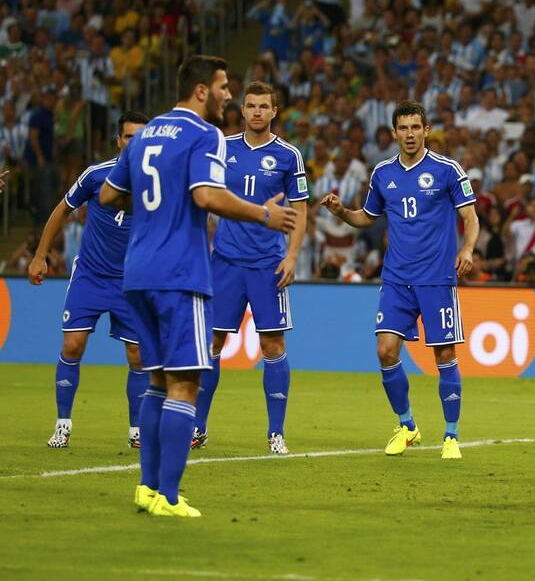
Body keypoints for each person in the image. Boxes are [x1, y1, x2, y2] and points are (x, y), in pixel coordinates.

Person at [100, 55, 296, 518]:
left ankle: (146, 490)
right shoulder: (203, 133)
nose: (230, 95)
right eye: (224, 87)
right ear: (202, 90)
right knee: (185, 383)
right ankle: (168, 496)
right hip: (178, 273)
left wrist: (159, 201)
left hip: (136, 272)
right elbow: (207, 196)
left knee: (156, 383)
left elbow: (108, 194)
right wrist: (263, 213)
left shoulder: (146, 132)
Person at [320, 102, 479, 460]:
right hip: (396, 279)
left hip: (437, 279)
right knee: (385, 350)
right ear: (394, 133)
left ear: (426, 130)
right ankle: (407, 426)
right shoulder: (382, 174)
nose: (409, 134)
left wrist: (467, 250)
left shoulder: (447, 170)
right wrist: (341, 212)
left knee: (444, 354)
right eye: (403, 128)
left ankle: (451, 435)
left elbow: (470, 216)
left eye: (415, 127)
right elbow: (366, 218)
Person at [193, 81, 309, 454]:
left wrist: (291, 256)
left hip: (267, 266)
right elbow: (202, 198)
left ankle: (276, 433)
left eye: (264, 106)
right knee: (212, 343)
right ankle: (197, 427)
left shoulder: (290, 155)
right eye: (251, 105)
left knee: (273, 344)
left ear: (275, 112)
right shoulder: (220, 148)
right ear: (241, 111)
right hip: (224, 263)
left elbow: (301, 210)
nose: (257, 111)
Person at [29, 111, 150, 450]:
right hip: (91, 276)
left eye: (141, 136)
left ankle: (137, 431)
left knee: (138, 356)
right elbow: (62, 209)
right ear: (119, 140)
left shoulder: (158, 182)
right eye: (129, 136)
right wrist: (40, 255)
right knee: (72, 345)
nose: (134, 142)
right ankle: (63, 425)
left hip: (133, 282)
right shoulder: (97, 175)